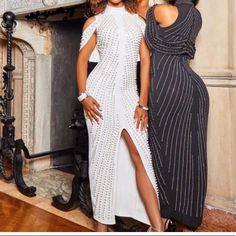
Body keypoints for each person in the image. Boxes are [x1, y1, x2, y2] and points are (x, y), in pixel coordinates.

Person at [76, 0, 163, 232]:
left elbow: (146, 61)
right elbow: (82, 60)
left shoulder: (138, 22)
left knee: (141, 156)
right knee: (102, 161)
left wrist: (143, 104)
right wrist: (83, 96)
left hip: (129, 97)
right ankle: (101, 227)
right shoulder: (96, 21)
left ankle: (158, 228)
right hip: (100, 96)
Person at [146, 0, 209, 231]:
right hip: (192, 88)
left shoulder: (159, 10)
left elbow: (138, 15)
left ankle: (165, 215)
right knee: (192, 157)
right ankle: (185, 221)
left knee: (162, 151)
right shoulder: (196, 16)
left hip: (167, 87)